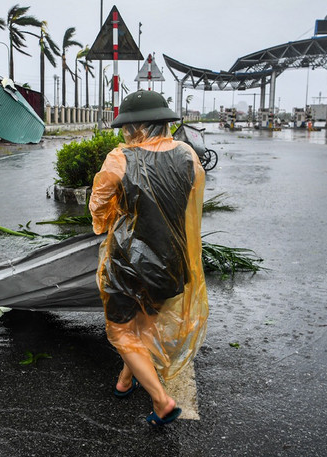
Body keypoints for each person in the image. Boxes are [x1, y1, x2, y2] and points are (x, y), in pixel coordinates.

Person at [89, 90, 209, 426]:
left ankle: (161, 401)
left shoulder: (120, 158)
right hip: (172, 264)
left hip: (128, 265)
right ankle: (126, 381)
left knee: (121, 332)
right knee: (143, 327)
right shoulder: (188, 155)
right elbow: (189, 205)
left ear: (135, 126)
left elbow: (99, 209)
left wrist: (109, 221)